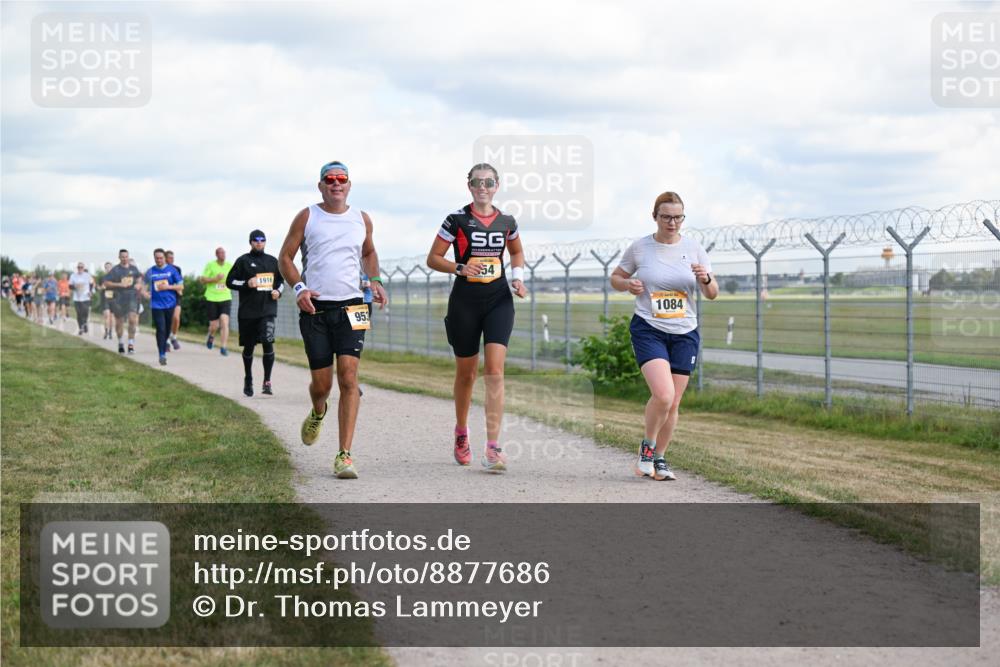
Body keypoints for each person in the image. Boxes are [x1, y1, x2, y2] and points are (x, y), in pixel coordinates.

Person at [278, 161, 387, 479]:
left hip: (354, 306)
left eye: (342, 179)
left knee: (349, 378)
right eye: (330, 179)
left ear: (349, 185)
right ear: (321, 185)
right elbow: (285, 257)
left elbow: (368, 252)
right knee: (322, 385)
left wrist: (376, 280)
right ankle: (318, 410)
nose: (336, 184)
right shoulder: (308, 216)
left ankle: (344, 455)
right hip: (317, 310)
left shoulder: (361, 218)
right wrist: (299, 288)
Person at [425, 163, 527, 472]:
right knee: (467, 374)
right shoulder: (456, 220)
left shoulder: (507, 221)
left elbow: (516, 253)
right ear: (469, 185)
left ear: (497, 185)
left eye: (489, 182)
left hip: (498, 300)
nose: (483, 186)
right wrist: (459, 267)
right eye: (477, 182)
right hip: (465, 303)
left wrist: (518, 278)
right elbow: (433, 258)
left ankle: (493, 446)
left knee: (495, 371)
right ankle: (461, 432)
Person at [610, 191, 718, 481]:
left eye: (678, 217)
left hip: (685, 332)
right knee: (663, 394)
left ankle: (659, 459)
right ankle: (647, 447)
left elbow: (712, 293)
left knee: (674, 403)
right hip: (649, 328)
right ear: (654, 216)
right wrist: (627, 284)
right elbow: (615, 277)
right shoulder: (641, 248)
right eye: (666, 217)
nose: (672, 222)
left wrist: (705, 279)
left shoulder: (694, 248)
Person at [226, 231, 284, 396]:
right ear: (250, 242)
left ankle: (267, 381)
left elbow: (281, 282)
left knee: (268, 340)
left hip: (268, 310)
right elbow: (229, 281)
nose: (259, 243)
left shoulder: (273, 261)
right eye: (256, 240)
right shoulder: (243, 261)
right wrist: (246, 283)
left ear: (265, 242)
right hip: (248, 312)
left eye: (262, 240)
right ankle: (248, 378)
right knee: (249, 347)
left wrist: (278, 292)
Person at [142, 249, 184, 365]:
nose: (159, 260)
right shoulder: (151, 271)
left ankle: (164, 343)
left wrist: (168, 287)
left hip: (170, 304)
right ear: (154, 258)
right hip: (156, 305)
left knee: (166, 329)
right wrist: (145, 293)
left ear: (164, 258)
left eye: (161, 258)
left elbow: (181, 286)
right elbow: (142, 285)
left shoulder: (172, 270)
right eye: (157, 258)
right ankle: (162, 354)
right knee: (160, 328)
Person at [103, 249, 144, 354]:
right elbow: (106, 283)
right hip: (119, 298)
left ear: (128, 256)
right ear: (119, 257)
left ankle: (130, 344)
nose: (125, 258)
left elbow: (139, 280)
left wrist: (138, 285)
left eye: (126, 256)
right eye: (122, 257)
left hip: (132, 297)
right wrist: (119, 285)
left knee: (132, 320)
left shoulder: (134, 269)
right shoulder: (115, 270)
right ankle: (121, 342)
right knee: (119, 322)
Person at [199, 247, 234, 356]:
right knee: (214, 326)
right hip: (212, 298)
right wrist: (215, 279)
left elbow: (235, 278)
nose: (223, 255)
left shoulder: (229, 266)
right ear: (216, 255)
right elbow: (202, 279)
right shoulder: (210, 265)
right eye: (220, 253)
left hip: (225, 297)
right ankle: (211, 335)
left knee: (224, 321)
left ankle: (223, 347)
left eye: (224, 252)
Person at [68, 262, 95, 335]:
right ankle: (81, 328)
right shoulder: (73, 276)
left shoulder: (87, 275)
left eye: (81, 267)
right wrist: (75, 287)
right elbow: (70, 286)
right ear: (77, 268)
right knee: (79, 313)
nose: (80, 268)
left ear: (83, 268)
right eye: (79, 267)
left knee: (85, 312)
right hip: (77, 298)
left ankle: (85, 323)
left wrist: (90, 291)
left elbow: (92, 284)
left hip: (86, 297)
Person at [164, 250, 182, 350]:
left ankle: (173, 337)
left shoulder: (177, 269)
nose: (172, 260)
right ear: (165, 259)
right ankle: (166, 341)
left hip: (176, 296)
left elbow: (180, 284)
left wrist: (173, 287)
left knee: (176, 318)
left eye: (172, 258)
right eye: (169, 258)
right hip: (164, 298)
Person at [98, 262, 114, 339]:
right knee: (106, 315)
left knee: (111, 317)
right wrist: (102, 287)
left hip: (114, 299)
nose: (108, 268)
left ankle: (111, 332)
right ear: (105, 268)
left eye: (109, 267)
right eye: (106, 267)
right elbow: (98, 288)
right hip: (105, 299)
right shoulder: (102, 278)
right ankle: (106, 331)